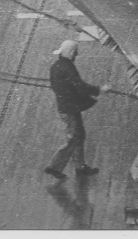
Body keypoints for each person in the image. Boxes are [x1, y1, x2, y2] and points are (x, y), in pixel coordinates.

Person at [45, 40, 110, 179]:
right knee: (74, 139)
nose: (76, 54)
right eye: (75, 52)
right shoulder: (68, 68)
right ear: (70, 52)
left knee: (79, 136)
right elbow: (80, 86)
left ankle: (80, 167)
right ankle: (54, 167)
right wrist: (99, 90)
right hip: (70, 110)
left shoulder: (56, 66)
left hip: (66, 107)